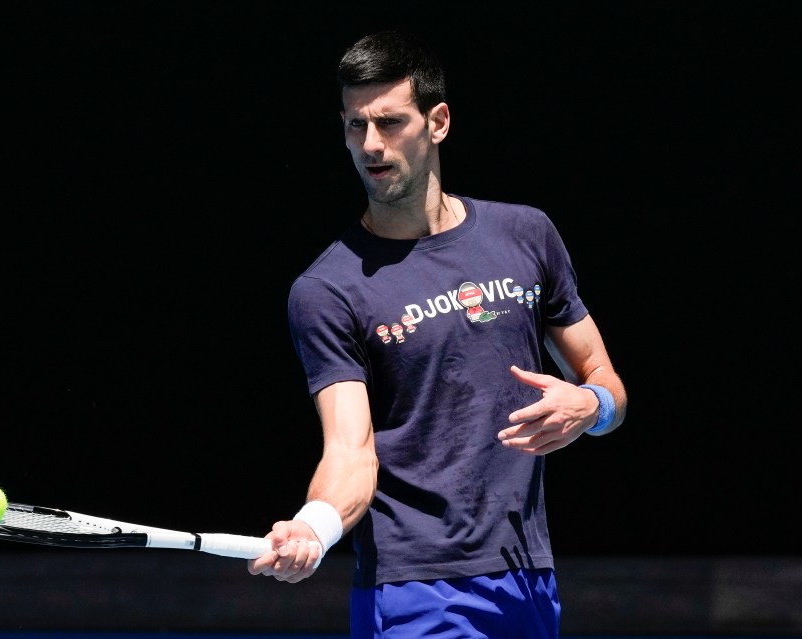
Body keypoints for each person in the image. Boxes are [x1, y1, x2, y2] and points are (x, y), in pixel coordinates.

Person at [247, 29, 627, 638]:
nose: (370, 144)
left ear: (438, 122)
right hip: (416, 588)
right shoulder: (327, 289)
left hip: (528, 578)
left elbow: (607, 384)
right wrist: (314, 527)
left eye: (390, 122)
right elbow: (350, 451)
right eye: (354, 125)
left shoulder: (526, 234)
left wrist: (594, 406)